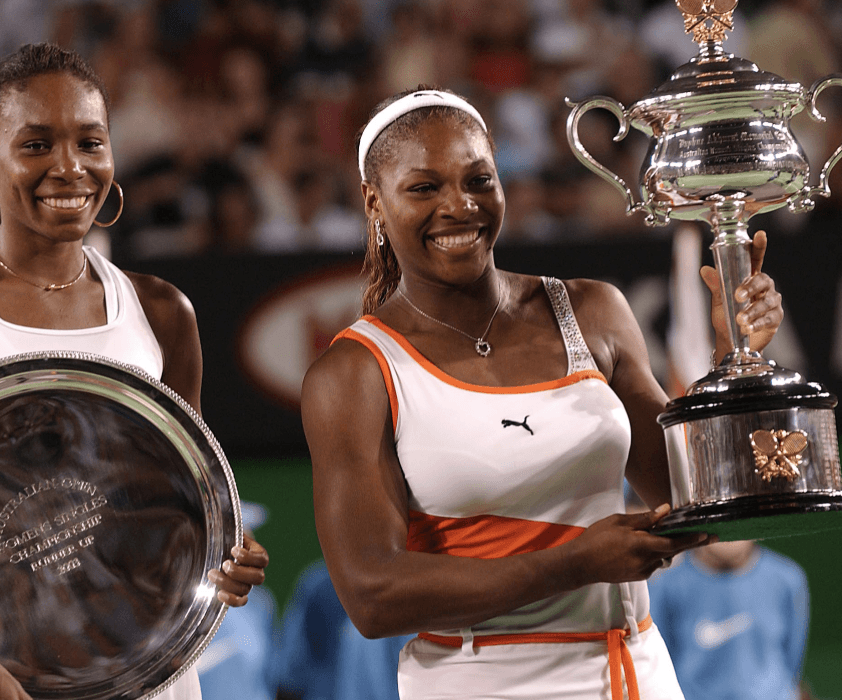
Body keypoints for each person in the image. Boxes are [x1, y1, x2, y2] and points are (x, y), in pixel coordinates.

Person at [300, 87, 784, 700]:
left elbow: (698, 500)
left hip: (635, 671)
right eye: (424, 188)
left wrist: (732, 361)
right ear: (374, 200)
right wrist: (576, 562)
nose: (459, 206)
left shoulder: (593, 310)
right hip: (478, 684)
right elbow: (372, 596)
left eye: (479, 180)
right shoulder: (354, 373)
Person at [0, 43, 268, 700]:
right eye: (36, 144)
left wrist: (225, 553)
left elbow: (181, 502)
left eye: (90, 143)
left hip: (150, 676)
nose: (69, 167)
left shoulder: (163, 312)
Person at [647, 541, 810, 700]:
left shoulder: (788, 579)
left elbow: (793, 659)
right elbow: (659, 665)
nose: (729, 537)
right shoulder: (665, 585)